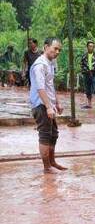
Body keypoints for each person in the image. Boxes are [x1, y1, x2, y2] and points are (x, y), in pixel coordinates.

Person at [29, 37, 66, 174]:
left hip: (48, 104)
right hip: (41, 105)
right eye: (55, 48)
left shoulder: (50, 63)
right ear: (45, 47)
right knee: (45, 135)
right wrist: (48, 107)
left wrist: (57, 103)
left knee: (54, 134)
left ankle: (52, 161)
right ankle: (47, 167)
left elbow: (50, 85)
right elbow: (40, 88)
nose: (57, 52)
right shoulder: (40, 65)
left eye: (59, 50)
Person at [80, 41, 95, 109]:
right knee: (88, 89)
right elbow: (82, 65)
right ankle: (89, 104)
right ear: (87, 47)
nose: (91, 47)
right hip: (87, 74)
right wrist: (86, 71)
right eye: (90, 46)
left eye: (92, 46)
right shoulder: (84, 56)